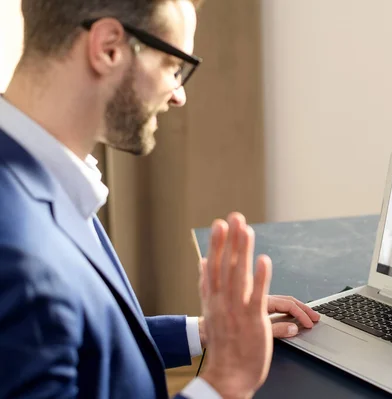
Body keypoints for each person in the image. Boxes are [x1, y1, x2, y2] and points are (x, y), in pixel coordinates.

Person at [0, 0, 319, 397]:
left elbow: (80, 342)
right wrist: (225, 381)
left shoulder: (42, 175)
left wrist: (205, 332)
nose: (179, 95)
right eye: (174, 66)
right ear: (108, 48)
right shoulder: (19, 253)